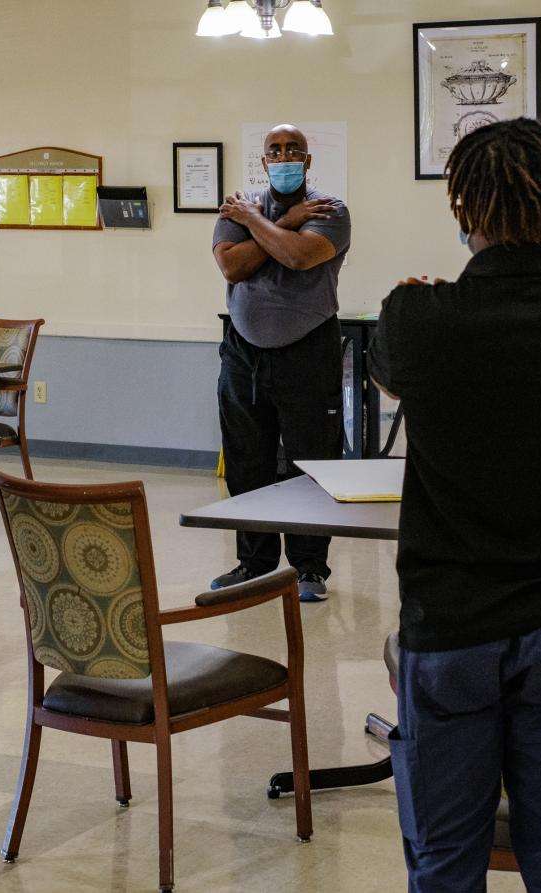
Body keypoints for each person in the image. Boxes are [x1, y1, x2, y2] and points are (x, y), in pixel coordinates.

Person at [368, 118, 541, 891]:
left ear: (463, 213)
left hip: (451, 621)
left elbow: (388, 371)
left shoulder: (417, 319)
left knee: (445, 861)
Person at [211, 124, 351, 602]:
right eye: (276, 150)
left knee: (311, 465)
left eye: (294, 150)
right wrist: (278, 220)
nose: (285, 156)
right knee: (247, 463)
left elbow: (296, 258)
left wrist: (267, 225)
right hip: (244, 353)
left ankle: (309, 569)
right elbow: (233, 266)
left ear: (308, 161)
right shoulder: (238, 208)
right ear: (264, 160)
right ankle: (253, 564)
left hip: (308, 351)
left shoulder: (330, 210)